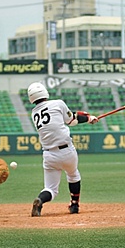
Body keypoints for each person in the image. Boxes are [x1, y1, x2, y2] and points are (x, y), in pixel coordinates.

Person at [27, 81, 98, 217]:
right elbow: (71, 120)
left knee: (50, 189)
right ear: (45, 92)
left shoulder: (34, 112)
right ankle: (74, 204)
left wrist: (85, 117)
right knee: (73, 175)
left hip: (48, 155)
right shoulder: (58, 103)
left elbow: (67, 117)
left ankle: (40, 200)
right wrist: (89, 118)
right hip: (66, 152)